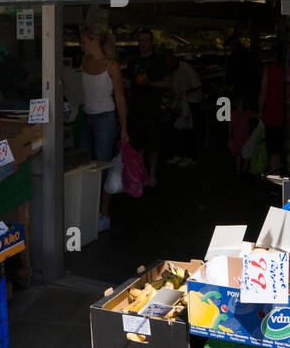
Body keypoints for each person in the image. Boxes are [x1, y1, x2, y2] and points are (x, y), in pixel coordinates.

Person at [80, 24, 129, 232]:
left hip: (106, 119)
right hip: (86, 118)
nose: (81, 44)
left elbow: (120, 97)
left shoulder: (112, 65)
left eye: (84, 40)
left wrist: (124, 128)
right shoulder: (84, 61)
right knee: (85, 167)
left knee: (103, 167)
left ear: (93, 40)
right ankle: (89, 210)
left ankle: (104, 214)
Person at [125, 28, 170, 186]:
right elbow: (128, 83)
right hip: (136, 109)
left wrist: (149, 83)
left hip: (153, 108)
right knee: (138, 143)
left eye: (146, 40)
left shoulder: (159, 61)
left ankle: (151, 174)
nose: (143, 44)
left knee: (153, 143)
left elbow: (167, 82)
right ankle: (141, 173)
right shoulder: (132, 62)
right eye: (141, 40)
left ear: (151, 42)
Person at [165, 56, 203, 167]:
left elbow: (197, 84)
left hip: (191, 102)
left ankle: (191, 156)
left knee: (189, 130)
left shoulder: (186, 68)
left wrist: (184, 92)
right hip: (180, 102)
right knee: (179, 129)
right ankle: (180, 154)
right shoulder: (173, 70)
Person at [258, 48, 286, 173]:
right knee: (283, 146)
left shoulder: (269, 69)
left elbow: (263, 92)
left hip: (272, 112)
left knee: (274, 148)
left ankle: (275, 175)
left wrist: (260, 111)